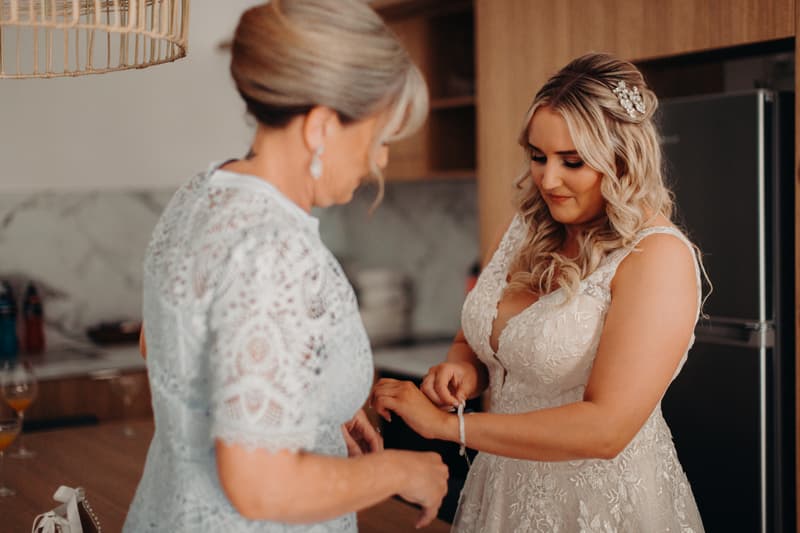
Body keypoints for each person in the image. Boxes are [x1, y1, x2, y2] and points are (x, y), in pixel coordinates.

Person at [124, 1, 449, 531]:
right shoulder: (275, 248)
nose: (380, 161)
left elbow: (161, 342)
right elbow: (260, 485)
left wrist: (306, 409)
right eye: (380, 137)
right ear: (322, 126)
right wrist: (397, 470)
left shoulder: (202, 194)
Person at [371, 52, 707, 532]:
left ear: (622, 158)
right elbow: (480, 334)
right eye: (537, 156)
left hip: (597, 505)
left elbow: (607, 428)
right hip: (502, 489)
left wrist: (448, 427)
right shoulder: (525, 227)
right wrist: (463, 368)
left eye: (572, 161)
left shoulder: (657, 257)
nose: (548, 180)